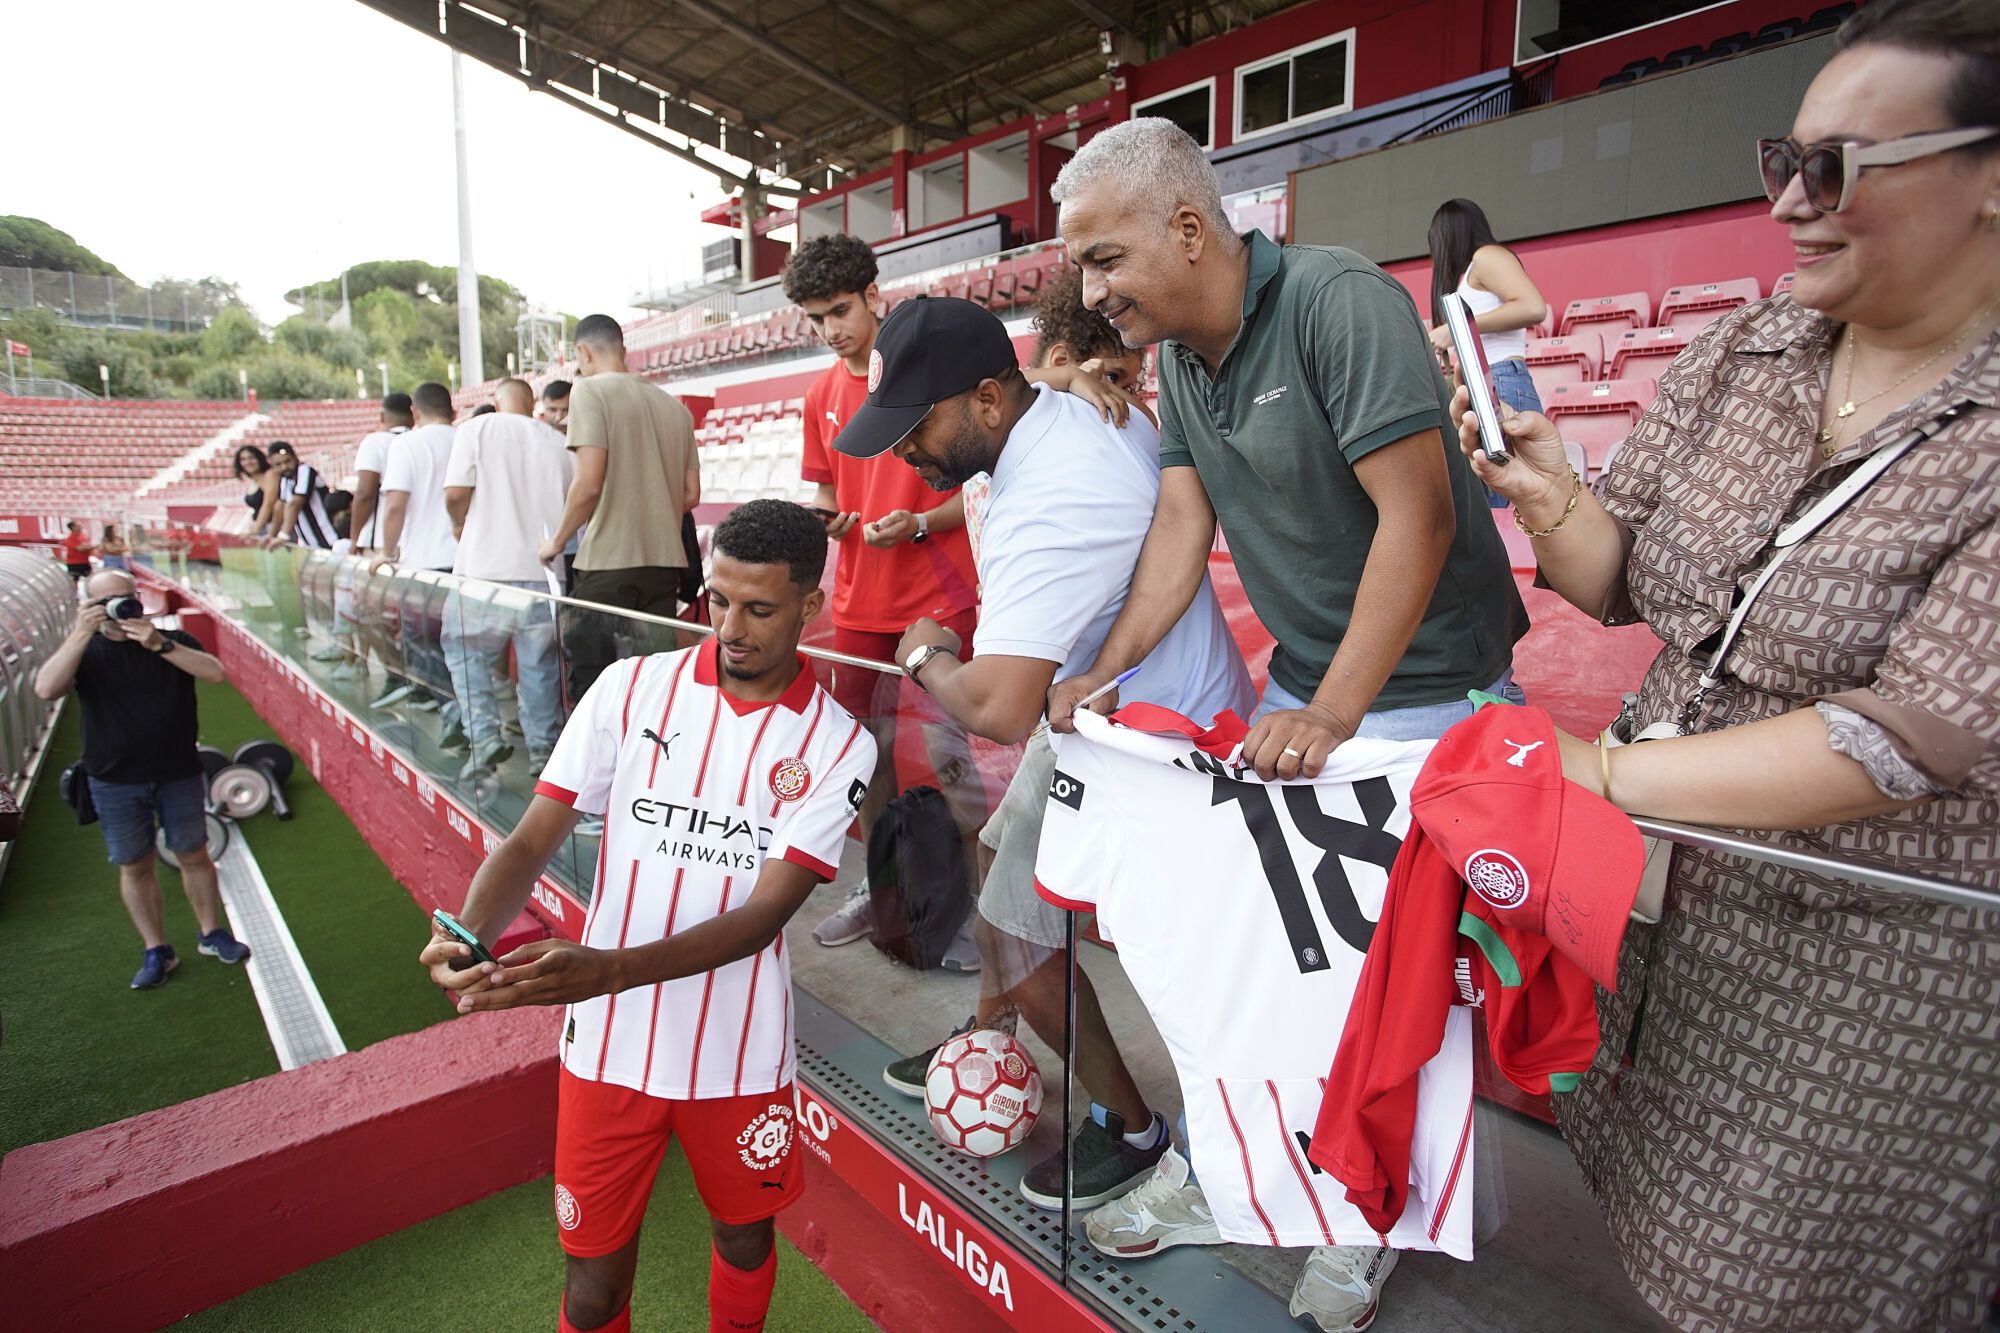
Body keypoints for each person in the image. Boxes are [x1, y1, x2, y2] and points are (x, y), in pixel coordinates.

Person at [1461, 4, 1999, 1328]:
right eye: (1782, 161)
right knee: (1658, 1234)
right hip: (1669, 935)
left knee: (1783, 1285)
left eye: (1839, 170)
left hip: (1863, 990)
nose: (1791, 207)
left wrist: (1602, 767)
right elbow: (1619, 578)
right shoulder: (1749, 350)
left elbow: (1899, 743)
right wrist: (1546, 494)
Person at [1044, 117, 1529, 1330]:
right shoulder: (1184, 362)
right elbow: (1176, 535)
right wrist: (1100, 672)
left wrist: (1326, 713)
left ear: (1190, 229)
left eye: (1103, 260)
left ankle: (1367, 1220)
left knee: (1394, 998)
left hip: (1425, 701)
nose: (1088, 292)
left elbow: (1414, 520)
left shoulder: (1336, 301)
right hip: (1309, 694)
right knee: (1256, 971)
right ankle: (1229, 1167)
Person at [837, 295, 1254, 1213]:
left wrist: (923, 652)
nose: (905, 455)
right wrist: (1071, 375)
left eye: (917, 428)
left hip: (1156, 751)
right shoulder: (1060, 413)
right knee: (1003, 889)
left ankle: (1138, 1132)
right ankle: (1004, 1035)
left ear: (988, 399)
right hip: (1123, 720)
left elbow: (994, 707)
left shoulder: (1049, 494)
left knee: (1049, 938)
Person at [419, 500, 876, 1333]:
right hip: (608, 1047)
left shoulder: (840, 742)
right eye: (718, 599)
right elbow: (531, 837)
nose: (730, 627)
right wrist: (465, 930)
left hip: (736, 1054)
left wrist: (609, 967)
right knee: (591, 1286)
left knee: (742, 1238)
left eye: (760, 609)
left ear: (810, 606)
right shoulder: (631, 689)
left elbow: (764, 917)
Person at [782, 234, 984, 950]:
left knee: (955, 764)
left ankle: (977, 915)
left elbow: (988, 483)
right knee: (863, 761)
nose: (830, 329)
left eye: (839, 309)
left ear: (874, 295)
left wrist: (924, 521)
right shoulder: (817, 395)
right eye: (814, 318)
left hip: (941, 596)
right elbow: (827, 491)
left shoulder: (932, 365)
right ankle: (886, 891)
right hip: (857, 605)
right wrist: (832, 522)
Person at [33, 570, 249, 989]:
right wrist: (80, 633)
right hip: (114, 780)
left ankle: (211, 933)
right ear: (90, 606)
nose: (118, 608)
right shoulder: (87, 651)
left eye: (125, 598)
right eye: (106, 602)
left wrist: (159, 643)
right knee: (134, 865)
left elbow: (214, 673)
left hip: (178, 772)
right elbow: (45, 689)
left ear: (138, 599)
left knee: (194, 854)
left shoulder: (169, 641)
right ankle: (157, 949)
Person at [538, 315, 701, 701]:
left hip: (609, 559)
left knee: (590, 677)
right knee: (656, 678)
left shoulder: (589, 392)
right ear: (623, 349)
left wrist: (556, 540)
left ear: (582, 352)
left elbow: (588, 482)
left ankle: (595, 761)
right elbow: (691, 494)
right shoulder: (675, 408)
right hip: (664, 563)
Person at [960, 268, 1149, 569]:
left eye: (1129, 386)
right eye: (1111, 378)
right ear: (1060, 361)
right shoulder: (1001, 410)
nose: (1123, 397)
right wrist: (1070, 377)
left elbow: (1145, 418)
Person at [441, 377, 572, 778]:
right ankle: (543, 750)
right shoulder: (556, 441)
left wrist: (458, 523)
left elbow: (454, 493)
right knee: (539, 666)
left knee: (464, 651)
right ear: (533, 402)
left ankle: (483, 735)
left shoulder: (477, 429)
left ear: (496, 401)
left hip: (485, 569)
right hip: (543, 571)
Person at [377, 382, 461, 718]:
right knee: (461, 648)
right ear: (452, 411)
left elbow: (395, 504)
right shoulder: (466, 439)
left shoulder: (407, 444)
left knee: (426, 643)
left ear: (415, 412)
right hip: (467, 561)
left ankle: (454, 713)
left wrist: (386, 551)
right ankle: (469, 719)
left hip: (422, 563)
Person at [1426, 198, 1549, 416]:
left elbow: (1533, 308)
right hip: (1488, 380)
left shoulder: (1486, 256)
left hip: (1499, 376)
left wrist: (1457, 328)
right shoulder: (1475, 269)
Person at [349, 392, 413, 553]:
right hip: (419, 539)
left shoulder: (375, 442)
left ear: (382, 416)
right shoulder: (420, 441)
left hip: (381, 539)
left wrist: (354, 538)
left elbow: (365, 494)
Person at [268, 441, 337, 550]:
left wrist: (283, 535)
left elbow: (295, 504)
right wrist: (271, 535)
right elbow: (280, 506)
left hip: (328, 537)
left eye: (287, 461)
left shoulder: (304, 470)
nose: (284, 467)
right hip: (309, 542)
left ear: (295, 457)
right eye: (278, 464)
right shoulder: (285, 479)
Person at [236, 444, 283, 539]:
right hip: (261, 528)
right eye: (243, 459)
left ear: (259, 459)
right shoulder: (252, 481)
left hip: (275, 528)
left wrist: (255, 531)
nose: (248, 462)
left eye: (251, 458)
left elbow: (268, 505)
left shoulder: (270, 475)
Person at [60, 520, 94, 591]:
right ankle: (75, 595)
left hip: (85, 562)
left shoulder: (83, 536)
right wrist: (90, 547)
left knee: (90, 580)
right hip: (74, 563)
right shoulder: (70, 538)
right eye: (77, 526)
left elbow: (86, 546)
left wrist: (88, 547)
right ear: (72, 527)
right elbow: (80, 548)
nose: (79, 527)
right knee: (74, 580)